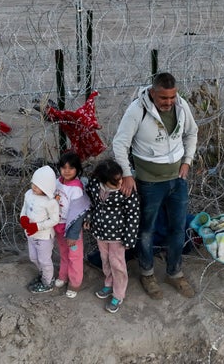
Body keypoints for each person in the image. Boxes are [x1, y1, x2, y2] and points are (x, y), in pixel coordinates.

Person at [112, 72, 199, 299]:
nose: (168, 102)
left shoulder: (181, 106)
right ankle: (147, 273)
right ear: (152, 93)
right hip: (149, 182)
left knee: (178, 229)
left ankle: (174, 272)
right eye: (163, 98)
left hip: (177, 181)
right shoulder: (137, 110)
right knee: (147, 230)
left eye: (172, 97)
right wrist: (128, 174)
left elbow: (192, 133)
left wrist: (187, 161)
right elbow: (120, 144)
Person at [84, 159, 140, 313]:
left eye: (120, 179)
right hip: (101, 233)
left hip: (118, 236)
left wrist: (129, 237)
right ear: (103, 180)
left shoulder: (127, 191)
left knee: (118, 264)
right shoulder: (95, 187)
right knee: (105, 260)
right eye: (114, 182)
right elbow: (90, 203)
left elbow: (133, 214)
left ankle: (118, 294)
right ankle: (108, 284)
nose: (120, 183)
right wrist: (89, 218)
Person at [53, 151, 91, 298]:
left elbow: (78, 214)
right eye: (63, 167)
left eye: (71, 168)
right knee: (63, 253)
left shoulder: (76, 188)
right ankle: (63, 275)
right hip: (58, 226)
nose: (66, 171)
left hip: (71, 230)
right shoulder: (57, 182)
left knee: (74, 256)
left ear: (78, 169)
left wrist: (73, 234)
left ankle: (75, 283)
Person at [20, 165, 60, 293]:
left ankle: (48, 282)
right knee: (33, 258)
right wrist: (23, 218)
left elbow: (54, 220)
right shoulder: (29, 194)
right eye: (33, 184)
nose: (34, 188)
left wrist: (37, 226)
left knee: (44, 260)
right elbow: (24, 209)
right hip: (31, 235)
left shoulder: (50, 202)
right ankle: (43, 275)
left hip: (44, 237)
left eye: (38, 186)